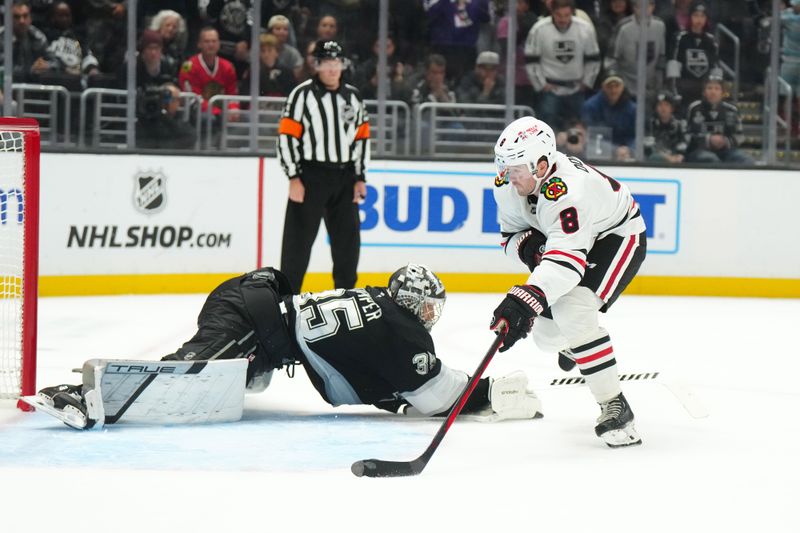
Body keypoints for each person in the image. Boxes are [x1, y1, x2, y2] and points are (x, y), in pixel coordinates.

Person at [34, 265, 543, 429]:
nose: (430, 319)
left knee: (218, 383)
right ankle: (79, 394)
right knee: (181, 377)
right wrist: (491, 391)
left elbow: (383, 386)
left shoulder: (379, 307)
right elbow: (436, 395)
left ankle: (93, 394)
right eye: (429, 308)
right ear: (415, 303)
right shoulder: (400, 326)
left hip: (256, 314)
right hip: (248, 317)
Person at [490, 116, 647, 448]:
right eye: (504, 166)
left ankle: (615, 405)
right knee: (546, 338)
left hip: (615, 237)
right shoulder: (505, 184)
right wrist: (531, 247)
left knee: (574, 310)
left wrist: (523, 299)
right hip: (569, 243)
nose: (507, 175)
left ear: (542, 165)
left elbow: (568, 264)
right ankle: (582, 346)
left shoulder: (569, 191)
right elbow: (509, 237)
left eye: (516, 168)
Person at [277, 40, 370, 293]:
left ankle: (347, 297)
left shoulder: (352, 96)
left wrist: (360, 176)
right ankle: (287, 300)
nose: (332, 69)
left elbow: (361, 138)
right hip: (310, 176)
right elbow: (287, 137)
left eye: (336, 62)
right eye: (327, 63)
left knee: (348, 244)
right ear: (316, 65)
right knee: (298, 243)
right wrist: (294, 176)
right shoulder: (302, 95)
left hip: (345, 177)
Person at [524, 0, 601, 131]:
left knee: (578, 129)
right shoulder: (539, 29)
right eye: (559, 15)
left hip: (576, 88)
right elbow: (531, 61)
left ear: (572, 12)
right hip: (550, 89)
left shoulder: (585, 28)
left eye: (566, 15)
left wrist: (587, 82)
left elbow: (594, 59)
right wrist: (541, 84)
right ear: (552, 12)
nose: (563, 19)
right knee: (546, 130)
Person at [604, 0, 666, 104]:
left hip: (650, 90)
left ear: (653, 6)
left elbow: (661, 57)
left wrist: (658, 86)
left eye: (647, 6)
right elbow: (611, 60)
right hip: (627, 90)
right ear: (634, 7)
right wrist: (618, 85)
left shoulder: (660, 26)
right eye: (640, 6)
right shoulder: (623, 27)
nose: (644, 10)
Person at [684, 75, 753, 164]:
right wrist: (708, 140)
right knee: (711, 159)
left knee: (746, 160)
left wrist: (725, 141)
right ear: (704, 92)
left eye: (717, 89)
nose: (713, 92)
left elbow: (740, 136)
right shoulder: (694, 108)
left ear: (722, 92)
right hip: (699, 151)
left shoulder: (732, 110)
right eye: (709, 88)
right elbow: (685, 135)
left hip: (726, 151)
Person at [667, 1, 720, 110]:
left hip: (705, 91)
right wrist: (675, 91)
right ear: (690, 17)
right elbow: (673, 66)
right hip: (684, 88)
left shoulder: (711, 40)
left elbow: (715, 67)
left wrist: (715, 92)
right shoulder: (680, 38)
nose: (699, 20)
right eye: (696, 15)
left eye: (702, 16)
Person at [179, 26, 240, 117]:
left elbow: (232, 94)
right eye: (207, 41)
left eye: (214, 41)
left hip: (222, 116)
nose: (211, 45)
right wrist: (218, 113)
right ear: (199, 44)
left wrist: (233, 109)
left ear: (219, 44)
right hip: (197, 117)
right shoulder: (188, 66)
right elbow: (193, 98)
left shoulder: (228, 67)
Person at [581, 70, 636, 161]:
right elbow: (591, 137)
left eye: (617, 86)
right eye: (609, 86)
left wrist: (629, 149)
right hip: (599, 154)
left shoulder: (632, 109)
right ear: (603, 87)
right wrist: (614, 150)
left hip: (626, 154)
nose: (613, 90)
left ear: (622, 87)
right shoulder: (591, 107)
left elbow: (636, 135)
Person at [0, 0, 52, 83]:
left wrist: (46, 65)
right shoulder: (1, 37)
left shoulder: (38, 38)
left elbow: (55, 62)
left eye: (25, 16)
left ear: (30, 18)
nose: (21, 21)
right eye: (16, 17)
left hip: (31, 88)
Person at [136, 82, 197, 150]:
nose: (168, 102)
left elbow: (190, 139)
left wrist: (165, 118)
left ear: (179, 102)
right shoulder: (144, 121)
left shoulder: (182, 122)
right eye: (165, 98)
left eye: (173, 99)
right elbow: (138, 141)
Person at [645, 90, 688, 163]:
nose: (663, 108)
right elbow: (648, 147)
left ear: (672, 108)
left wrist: (679, 155)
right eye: (660, 105)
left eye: (666, 105)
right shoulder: (649, 124)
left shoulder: (679, 125)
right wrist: (667, 157)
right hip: (655, 161)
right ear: (656, 108)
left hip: (675, 158)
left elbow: (683, 144)